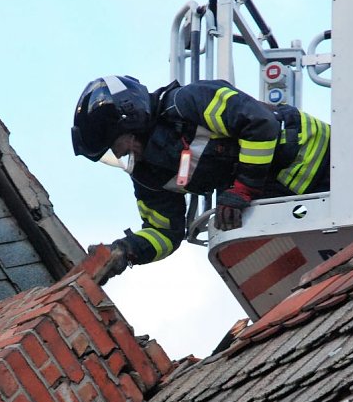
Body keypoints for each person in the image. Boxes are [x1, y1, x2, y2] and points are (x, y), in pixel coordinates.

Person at [71, 75, 330, 281]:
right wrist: (126, 250)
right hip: (290, 203)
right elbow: (164, 232)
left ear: (131, 118)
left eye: (117, 145)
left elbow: (260, 124)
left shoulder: (188, 102)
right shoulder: (147, 175)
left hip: (323, 160)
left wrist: (243, 189)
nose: (119, 155)